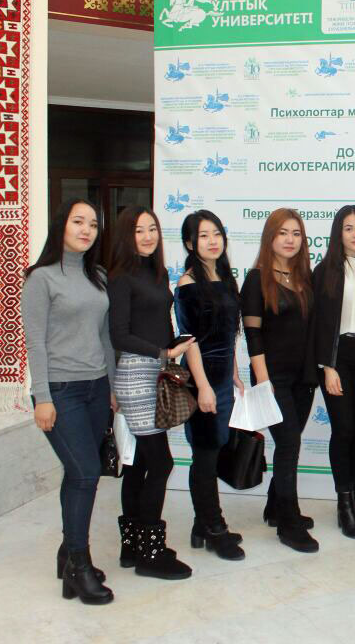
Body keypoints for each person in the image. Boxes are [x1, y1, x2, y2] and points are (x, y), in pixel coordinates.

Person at [22, 198, 117, 604]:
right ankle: (79, 563)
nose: (86, 230)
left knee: (77, 473)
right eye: (79, 222)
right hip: (61, 391)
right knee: (86, 472)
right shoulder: (40, 278)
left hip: (96, 388)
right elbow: (35, 344)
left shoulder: (98, 276)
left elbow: (105, 336)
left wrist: (111, 386)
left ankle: (69, 554)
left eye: (93, 224)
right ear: (61, 225)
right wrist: (43, 397)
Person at [108, 206, 194, 580]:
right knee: (161, 464)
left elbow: (157, 324)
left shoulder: (156, 274)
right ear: (126, 236)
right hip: (135, 374)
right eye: (139, 230)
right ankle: (150, 554)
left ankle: (133, 546)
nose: (147, 236)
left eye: (152, 229)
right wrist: (163, 353)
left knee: (141, 463)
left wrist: (174, 346)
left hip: (155, 372)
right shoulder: (120, 277)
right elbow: (119, 335)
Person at [242, 208, 319, 553]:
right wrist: (263, 379)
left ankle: (276, 507)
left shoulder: (305, 278)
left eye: (296, 233)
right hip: (273, 379)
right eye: (282, 233)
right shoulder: (256, 278)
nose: (290, 240)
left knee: (291, 443)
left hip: (304, 378)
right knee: (288, 445)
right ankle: (289, 523)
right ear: (269, 238)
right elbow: (252, 334)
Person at [175, 210, 245, 561]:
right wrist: (202, 386)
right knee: (203, 455)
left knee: (213, 451)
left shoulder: (226, 277)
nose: (212, 241)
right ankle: (214, 527)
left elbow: (228, 332)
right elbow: (190, 341)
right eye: (204, 236)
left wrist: (234, 372)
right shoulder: (187, 284)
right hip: (200, 378)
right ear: (190, 243)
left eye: (216, 233)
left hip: (222, 377)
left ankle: (201, 524)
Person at [310, 205, 355, 539]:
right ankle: (343, 503)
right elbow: (318, 324)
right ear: (338, 233)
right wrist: (327, 367)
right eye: (349, 228)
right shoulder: (324, 271)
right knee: (343, 429)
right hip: (338, 357)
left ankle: (353, 498)